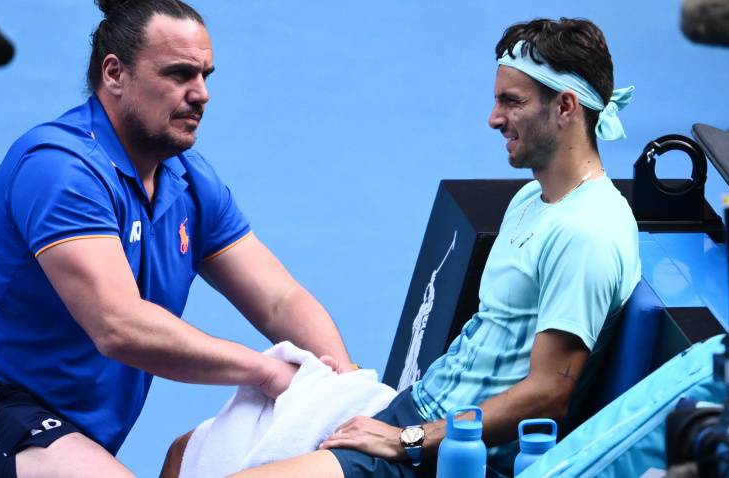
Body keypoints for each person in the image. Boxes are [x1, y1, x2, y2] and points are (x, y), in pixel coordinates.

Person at [0, 1, 353, 477]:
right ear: (114, 74)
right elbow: (119, 325)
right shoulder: (62, 167)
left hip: (51, 427)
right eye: (179, 74)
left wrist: (343, 391)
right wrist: (267, 371)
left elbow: (280, 299)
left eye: (205, 75)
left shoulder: (190, 183)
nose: (200, 94)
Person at [206, 17, 641, 478]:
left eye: (511, 102)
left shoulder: (587, 234)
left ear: (565, 107)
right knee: (187, 452)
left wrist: (407, 439)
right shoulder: (532, 198)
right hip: (418, 411)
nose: (494, 119)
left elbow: (549, 394)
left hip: (453, 456)